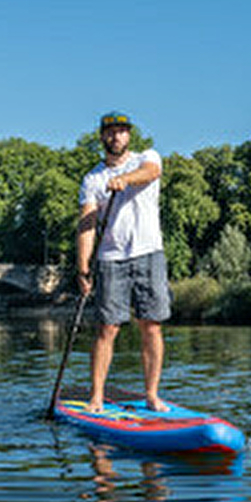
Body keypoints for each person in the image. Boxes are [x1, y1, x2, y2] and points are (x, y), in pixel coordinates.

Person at [76, 110, 172, 414]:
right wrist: (82, 268)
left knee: (152, 326)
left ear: (129, 135)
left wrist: (124, 180)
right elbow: (87, 224)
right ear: (102, 136)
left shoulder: (147, 157)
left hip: (149, 252)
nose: (115, 136)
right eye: (110, 132)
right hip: (110, 258)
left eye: (121, 131)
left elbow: (151, 173)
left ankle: (152, 396)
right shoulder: (92, 179)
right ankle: (96, 397)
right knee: (107, 329)